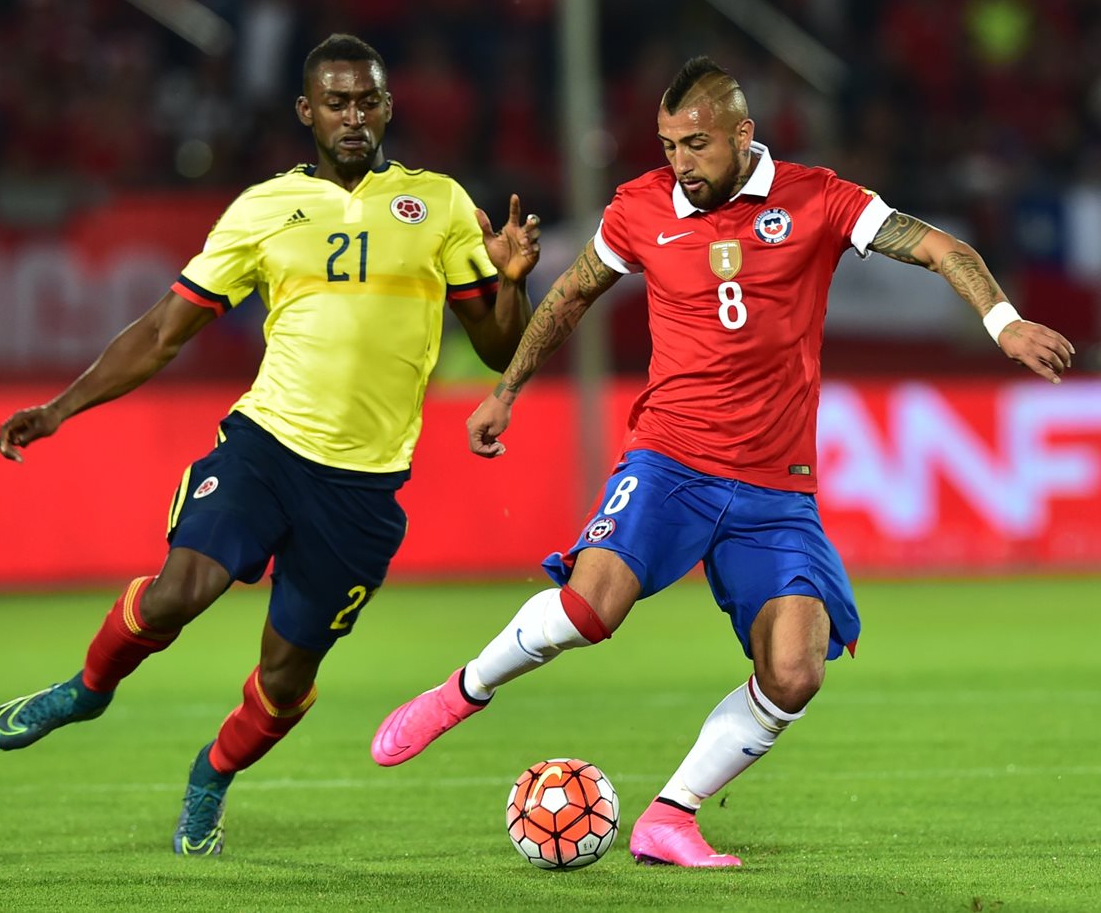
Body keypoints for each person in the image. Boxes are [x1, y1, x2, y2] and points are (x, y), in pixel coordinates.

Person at [371, 55, 1074, 867]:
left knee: (795, 669)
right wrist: (506, 390)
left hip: (777, 486)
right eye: (669, 145)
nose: (681, 162)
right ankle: (463, 691)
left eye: (696, 144)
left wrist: (1003, 323)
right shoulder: (639, 207)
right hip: (671, 459)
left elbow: (940, 246)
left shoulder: (817, 198)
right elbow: (571, 294)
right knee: (590, 609)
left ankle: (670, 816)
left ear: (743, 134)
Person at [0, 33, 541, 857]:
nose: (354, 116)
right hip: (266, 446)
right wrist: (63, 407)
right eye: (337, 102)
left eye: (368, 101)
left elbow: (497, 348)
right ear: (306, 111)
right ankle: (89, 688)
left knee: (285, 678)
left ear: (388, 107)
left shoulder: (441, 204)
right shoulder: (262, 209)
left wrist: (514, 281)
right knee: (178, 592)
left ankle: (211, 775)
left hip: (361, 487)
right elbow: (165, 331)